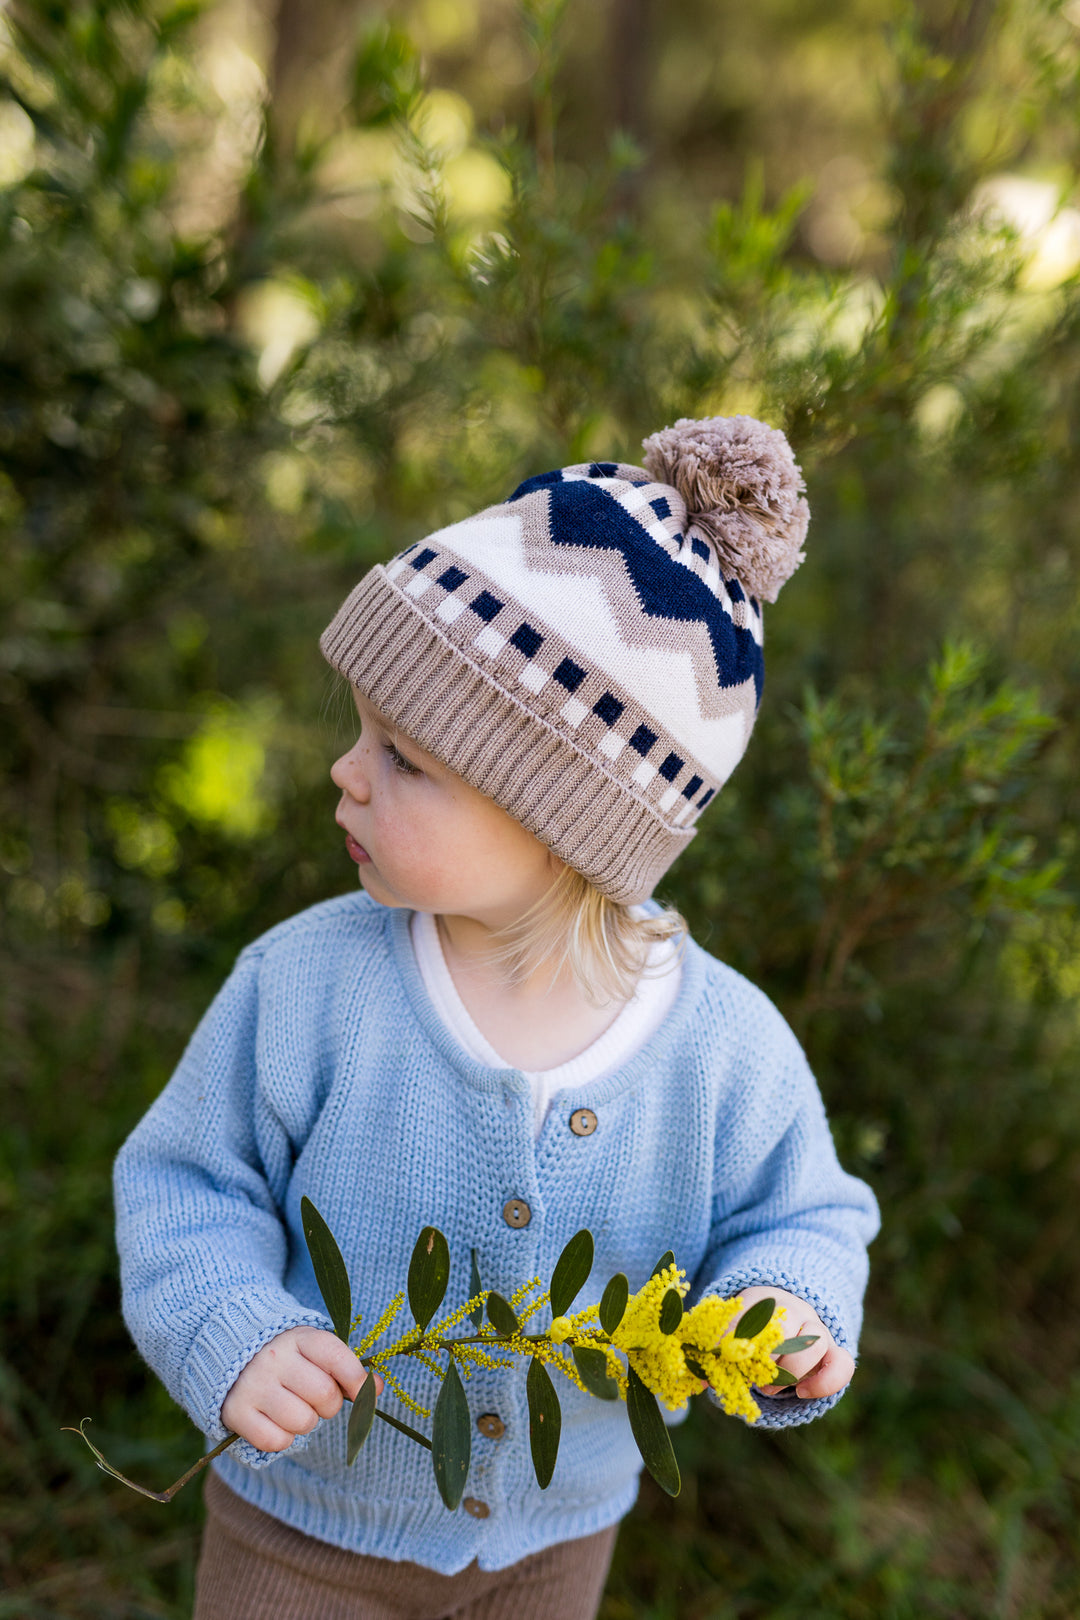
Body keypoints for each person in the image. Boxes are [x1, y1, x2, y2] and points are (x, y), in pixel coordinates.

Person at [114, 415, 880, 1620]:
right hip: (301, 1538)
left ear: (567, 822)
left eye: (406, 757)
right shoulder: (305, 987)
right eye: (361, 731)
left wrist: (786, 1305)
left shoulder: (723, 1049)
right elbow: (184, 1185)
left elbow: (810, 1211)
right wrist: (234, 1329)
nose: (347, 773)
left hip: (554, 1549)